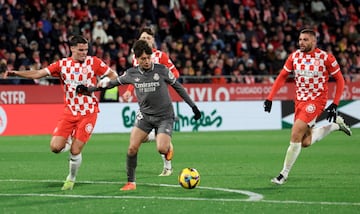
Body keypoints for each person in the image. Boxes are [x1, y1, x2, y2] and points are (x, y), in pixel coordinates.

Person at [5, 35, 118, 190]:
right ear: (71, 49)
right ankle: (69, 140)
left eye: (86, 49)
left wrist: (104, 82)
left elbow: (114, 76)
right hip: (69, 112)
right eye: (80, 50)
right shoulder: (62, 65)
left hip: (88, 112)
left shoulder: (94, 62)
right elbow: (38, 73)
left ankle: (70, 179)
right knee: (55, 148)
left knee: (75, 150)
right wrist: (16, 73)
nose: (84, 53)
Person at [97, 40, 201, 191]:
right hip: (145, 116)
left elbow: (178, 87)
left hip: (165, 116)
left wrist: (194, 107)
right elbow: (114, 83)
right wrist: (93, 88)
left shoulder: (162, 70)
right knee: (132, 148)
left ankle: (166, 146)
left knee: (161, 148)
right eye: (143, 59)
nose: (146, 61)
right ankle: (131, 183)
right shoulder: (132, 73)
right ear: (137, 59)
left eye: (148, 58)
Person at [263, 29, 352, 185]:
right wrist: (270, 97)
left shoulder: (325, 57)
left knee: (296, 132)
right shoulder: (294, 57)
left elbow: (340, 79)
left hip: (316, 101)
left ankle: (283, 174)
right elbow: (282, 76)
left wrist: (335, 102)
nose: (301, 43)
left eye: (305, 40)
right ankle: (335, 126)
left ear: (313, 41)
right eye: (300, 39)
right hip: (299, 101)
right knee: (305, 142)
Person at [122, 27, 180, 177]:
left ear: (153, 40)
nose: (145, 41)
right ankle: (158, 135)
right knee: (143, 138)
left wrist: (162, 83)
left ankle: (168, 167)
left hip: (160, 103)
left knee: (158, 144)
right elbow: (134, 76)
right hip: (144, 103)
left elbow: (175, 73)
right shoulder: (137, 58)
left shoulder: (161, 56)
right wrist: (128, 91)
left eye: (148, 38)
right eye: (143, 38)